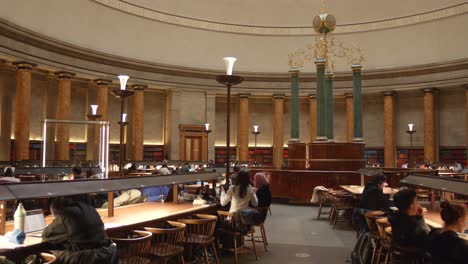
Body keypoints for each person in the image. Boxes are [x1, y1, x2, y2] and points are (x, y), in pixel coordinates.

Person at [42, 198, 115, 264]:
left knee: (48, 254)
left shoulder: (65, 215)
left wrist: (54, 223)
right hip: (110, 253)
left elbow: (46, 235)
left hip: (91, 258)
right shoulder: (89, 208)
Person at [389, 189, 430, 253]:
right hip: (416, 254)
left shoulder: (395, 217)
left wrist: (419, 216)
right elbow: (427, 233)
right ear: (411, 205)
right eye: (416, 201)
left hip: (399, 247)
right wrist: (420, 218)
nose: (418, 203)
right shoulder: (415, 225)